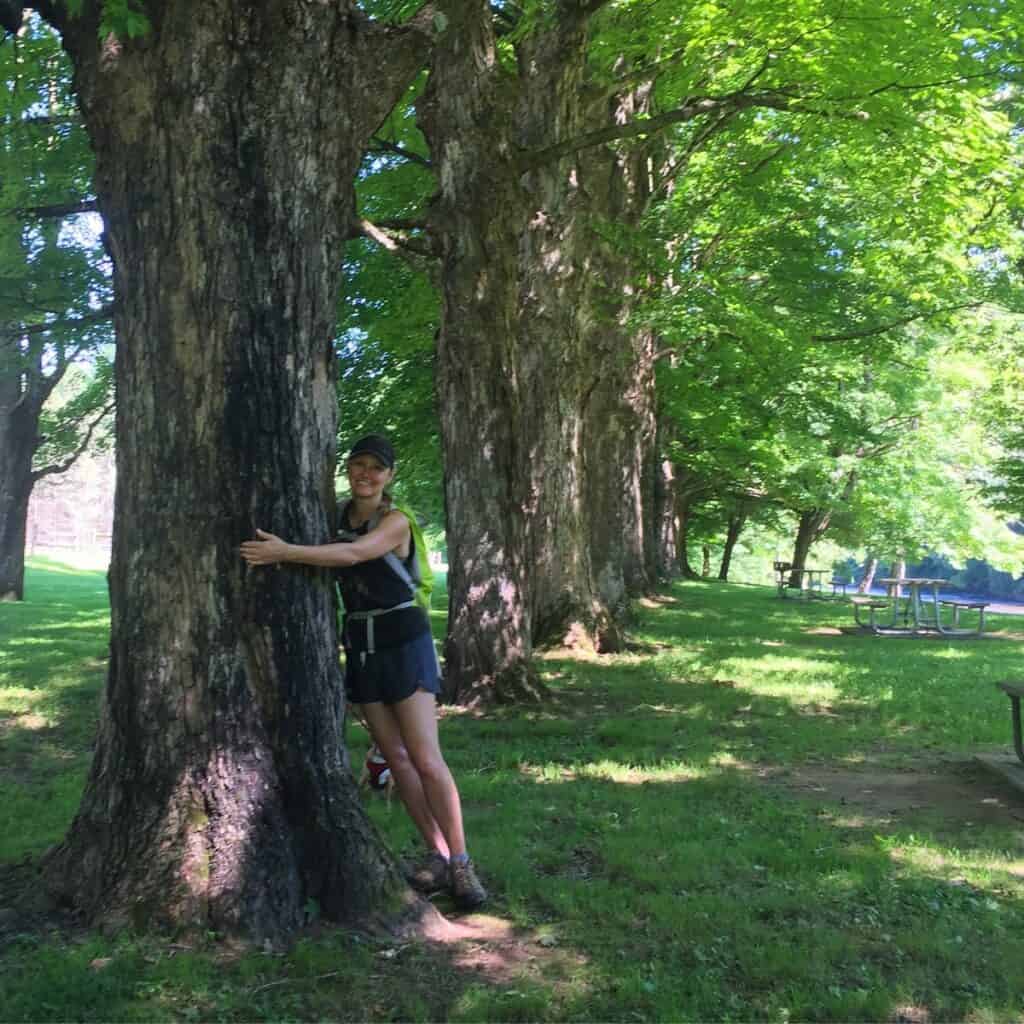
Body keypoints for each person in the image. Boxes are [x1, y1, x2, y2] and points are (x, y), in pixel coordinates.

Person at [239, 434, 486, 909]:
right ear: (347, 469)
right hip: (362, 645)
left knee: (425, 757)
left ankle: (461, 861)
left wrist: (283, 551)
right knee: (394, 757)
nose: (366, 474)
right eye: (358, 465)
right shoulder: (333, 516)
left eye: (376, 467)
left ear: (389, 476)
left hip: (404, 642)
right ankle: (436, 856)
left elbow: (353, 555)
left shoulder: (394, 522)